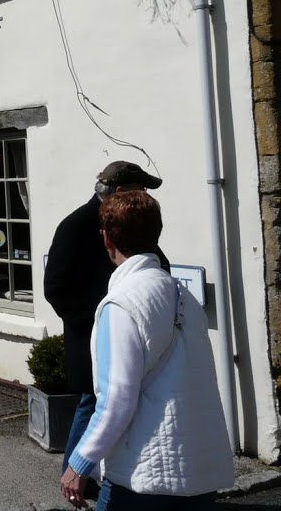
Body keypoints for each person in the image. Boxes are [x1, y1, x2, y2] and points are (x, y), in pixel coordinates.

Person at [59, 191, 233, 509]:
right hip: (198, 471)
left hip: (143, 477)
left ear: (107, 238)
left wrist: (78, 463)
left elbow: (115, 401)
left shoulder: (122, 304)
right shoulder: (183, 296)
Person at [44, 160, 169, 494]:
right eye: (139, 190)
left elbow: (158, 267)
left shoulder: (131, 224)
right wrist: (102, 320)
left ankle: (101, 478)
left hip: (125, 334)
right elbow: (56, 289)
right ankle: (75, 481)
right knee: (92, 405)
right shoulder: (76, 225)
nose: (144, 196)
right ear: (118, 191)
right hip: (91, 339)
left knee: (110, 406)